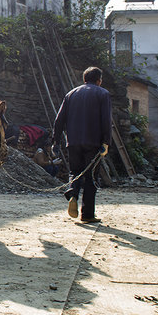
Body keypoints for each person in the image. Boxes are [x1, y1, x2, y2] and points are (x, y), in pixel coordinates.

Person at [52, 66, 112, 223]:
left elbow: (59, 120)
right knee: (91, 176)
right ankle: (87, 214)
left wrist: (56, 141)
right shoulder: (103, 93)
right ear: (99, 80)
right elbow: (106, 120)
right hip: (93, 143)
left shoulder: (70, 94)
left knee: (75, 172)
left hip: (73, 142)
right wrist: (106, 142)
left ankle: (72, 193)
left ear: (84, 79)